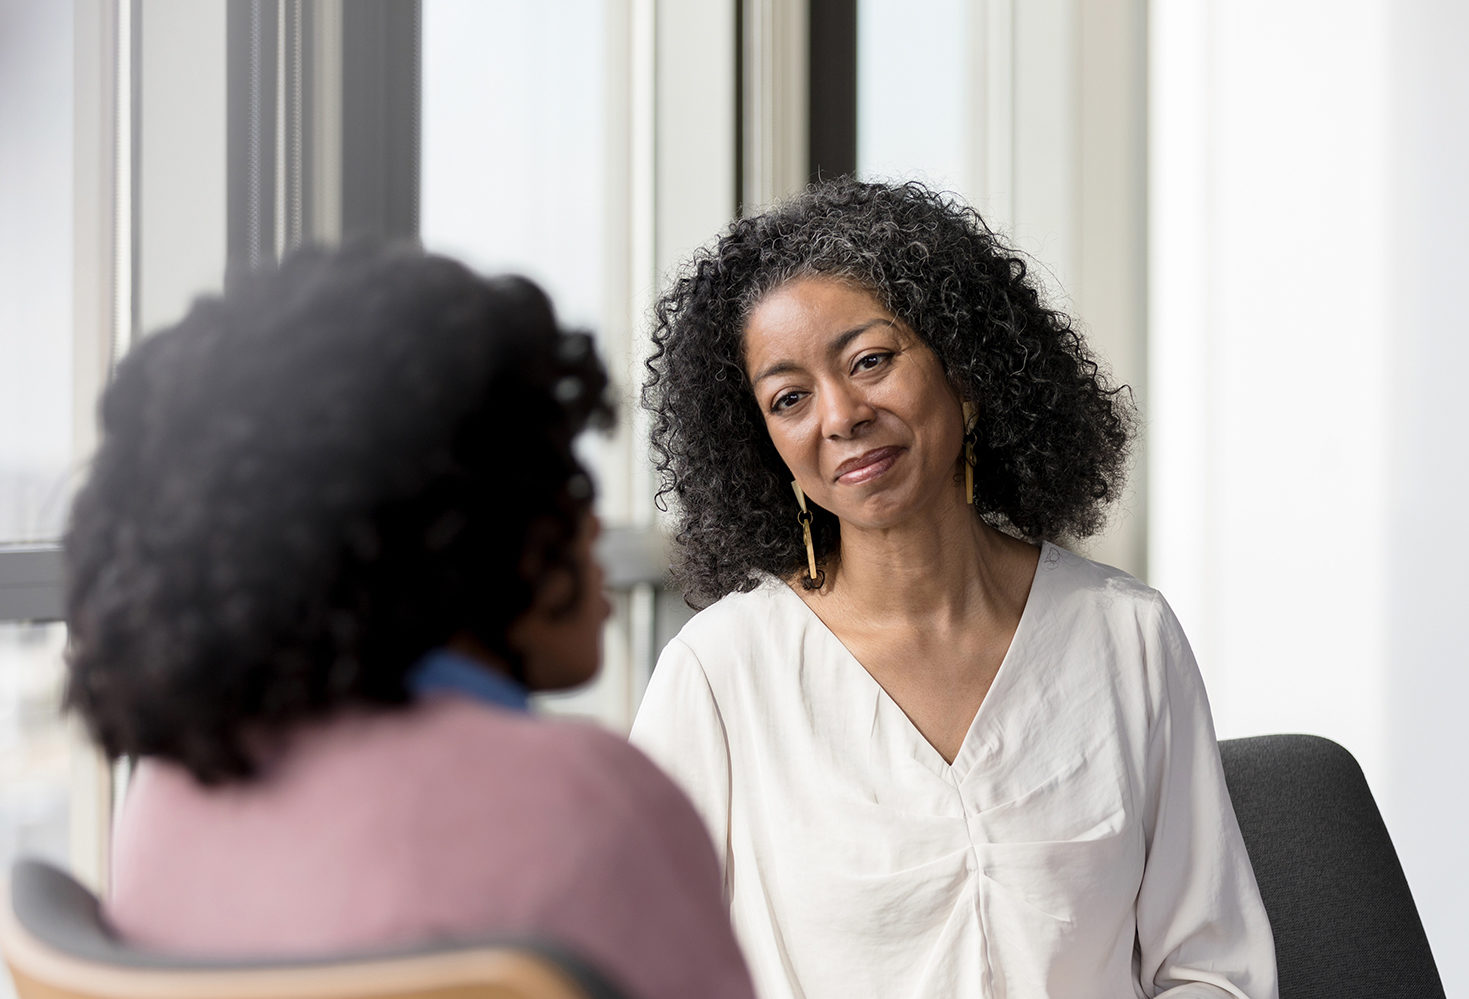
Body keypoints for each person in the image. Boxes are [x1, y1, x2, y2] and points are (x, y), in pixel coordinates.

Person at [630, 178, 1278, 999]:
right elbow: (640, 970)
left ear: (964, 372)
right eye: (789, 398)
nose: (840, 415)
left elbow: (1209, 969)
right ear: (764, 445)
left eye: (870, 360)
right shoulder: (721, 673)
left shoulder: (1126, 637)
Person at [63, 245, 756, 999]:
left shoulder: (168, 798)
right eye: (559, 475)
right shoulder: (585, 804)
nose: (591, 523)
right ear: (456, 528)